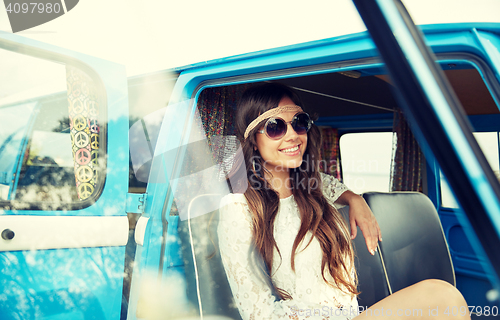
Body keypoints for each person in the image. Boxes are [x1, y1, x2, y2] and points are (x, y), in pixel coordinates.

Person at [217, 83, 469, 320]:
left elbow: (330, 184)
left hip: (350, 313)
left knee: (443, 298)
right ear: (252, 139)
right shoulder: (238, 208)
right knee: (443, 297)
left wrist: (355, 198)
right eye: (275, 127)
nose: (293, 135)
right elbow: (258, 313)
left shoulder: (312, 189)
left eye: (299, 123)